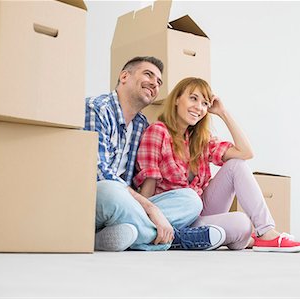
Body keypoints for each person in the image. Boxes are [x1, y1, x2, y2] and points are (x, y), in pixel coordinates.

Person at [134, 77, 300, 252]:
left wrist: (223, 112)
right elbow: (148, 187)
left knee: (236, 166)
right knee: (240, 224)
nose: (199, 108)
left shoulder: (199, 140)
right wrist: (152, 222)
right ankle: (205, 236)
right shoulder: (158, 131)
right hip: (177, 214)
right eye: (193, 99)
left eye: (205, 103)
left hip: (201, 212)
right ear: (177, 99)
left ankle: (266, 232)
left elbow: (246, 153)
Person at [84, 57, 226, 251]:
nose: (154, 83)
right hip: (95, 199)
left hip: (128, 208)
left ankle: (107, 239)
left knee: (191, 200)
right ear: (124, 76)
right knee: (110, 190)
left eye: (159, 82)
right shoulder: (97, 109)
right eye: (148, 75)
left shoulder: (141, 124)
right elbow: (98, 173)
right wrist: (152, 210)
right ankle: (175, 238)